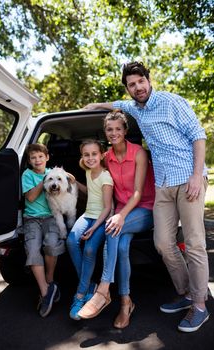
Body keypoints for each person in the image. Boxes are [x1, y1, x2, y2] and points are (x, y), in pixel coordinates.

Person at [82, 61, 209, 332]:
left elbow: (198, 136)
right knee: (163, 242)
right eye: (131, 84)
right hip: (163, 184)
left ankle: (199, 306)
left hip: (188, 179)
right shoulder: (134, 108)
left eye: (141, 81)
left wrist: (197, 175)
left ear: (148, 80)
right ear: (128, 88)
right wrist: (94, 107)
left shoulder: (171, 101)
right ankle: (187, 292)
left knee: (195, 243)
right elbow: (114, 106)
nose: (137, 87)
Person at [78, 110, 155, 329]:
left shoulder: (138, 152)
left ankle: (103, 291)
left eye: (118, 129)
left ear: (125, 131)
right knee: (121, 249)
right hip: (122, 209)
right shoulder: (107, 157)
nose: (114, 133)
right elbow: (99, 184)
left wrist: (120, 216)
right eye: (109, 129)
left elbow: (138, 192)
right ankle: (125, 303)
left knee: (113, 227)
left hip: (145, 208)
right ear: (105, 132)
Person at [66, 139, 114, 320]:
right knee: (71, 241)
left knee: (90, 249)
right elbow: (91, 192)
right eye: (86, 155)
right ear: (82, 157)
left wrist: (94, 228)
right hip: (87, 215)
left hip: (101, 218)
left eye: (94, 154)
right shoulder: (87, 171)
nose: (90, 158)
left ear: (102, 155)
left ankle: (79, 295)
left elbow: (107, 207)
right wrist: (75, 182)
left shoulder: (106, 177)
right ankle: (88, 286)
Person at [22, 143, 64, 317]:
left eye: (40, 156)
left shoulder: (54, 175)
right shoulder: (27, 174)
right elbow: (30, 197)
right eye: (33, 157)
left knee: (52, 245)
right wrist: (45, 180)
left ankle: (50, 280)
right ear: (29, 161)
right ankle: (46, 292)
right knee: (32, 250)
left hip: (50, 216)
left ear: (47, 158)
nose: (37, 160)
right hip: (31, 219)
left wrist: (58, 177)